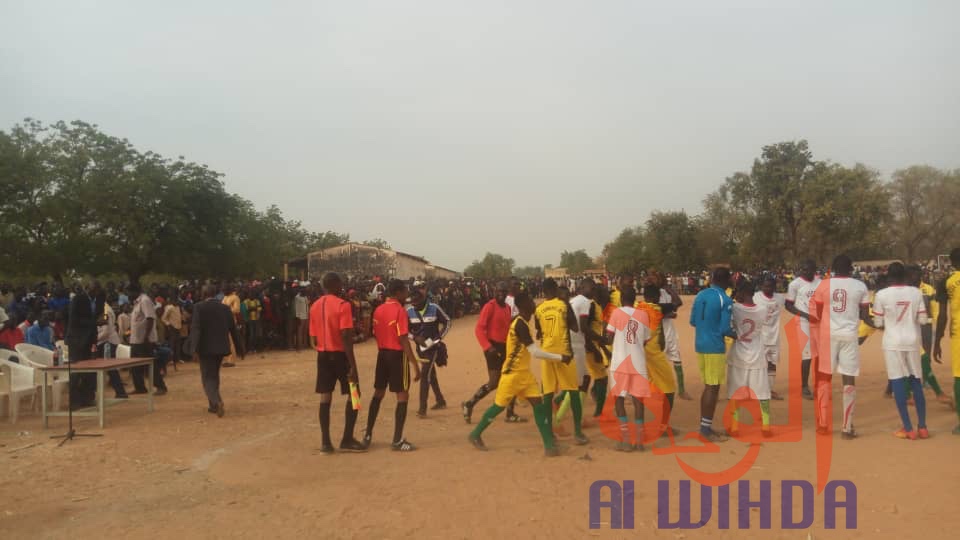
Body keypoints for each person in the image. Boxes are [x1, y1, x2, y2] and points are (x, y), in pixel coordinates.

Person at [468, 292, 566, 456]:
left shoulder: (524, 322)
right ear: (523, 305)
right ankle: (475, 434)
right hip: (512, 375)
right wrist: (560, 357)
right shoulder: (520, 324)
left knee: (539, 405)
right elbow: (534, 352)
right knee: (498, 407)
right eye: (530, 300)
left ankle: (549, 445)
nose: (533, 303)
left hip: (524, 375)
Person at [810, 255, 872, 439]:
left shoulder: (823, 284)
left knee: (824, 377)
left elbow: (818, 312)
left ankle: (822, 423)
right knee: (849, 379)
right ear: (851, 269)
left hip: (828, 335)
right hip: (849, 335)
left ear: (833, 269)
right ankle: (847, 427)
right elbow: (864, 314)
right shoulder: (860, 286)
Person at [309, 273, 366, 453]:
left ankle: (326, 442)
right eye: (340, 284)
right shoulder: (343, 305)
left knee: (325, 396)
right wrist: (353, 366)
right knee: (355, 394)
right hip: (340, 355)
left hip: (323, 355)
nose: (342, 287)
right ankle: (347, 438)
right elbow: (346, 336)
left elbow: (313, 337)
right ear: (334, 285)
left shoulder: (315, 306)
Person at [872, 262, 928, 439]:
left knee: (897, 381)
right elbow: (924, 319)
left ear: (889, 276)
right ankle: (923, 427)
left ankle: (908, 428)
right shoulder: (916, 292)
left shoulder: (881, 295)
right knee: (915, 381)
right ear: (905, 275)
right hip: (912, 341)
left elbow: (878, 323)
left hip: (893, 342)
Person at [363, 279, 421, 451]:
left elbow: (375, 334)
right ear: (398, 293)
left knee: (378, 393)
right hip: (396, 355)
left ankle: (367, 434)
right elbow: (403, 339)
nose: (407, 294)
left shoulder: (378, 309)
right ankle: (397, 440)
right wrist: (414, 364)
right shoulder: (400, 311)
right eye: (405, 291)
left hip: (382, 354)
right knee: (402, 395)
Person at [536, 278, 587, 444]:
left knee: (548, 396)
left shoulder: (539, 309)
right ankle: (578, 433)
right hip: (564, 354)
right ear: (556, 289)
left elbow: (539, 333)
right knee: (573, 392)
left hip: (546, 355)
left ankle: (550, 434)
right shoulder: (564, 305)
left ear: (543, 292)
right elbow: (575, 328)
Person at [689, 267, 735, 442]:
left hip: (700, 343)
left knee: (709, 385)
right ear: (728, 280)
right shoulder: (726, 299)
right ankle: (705, 430)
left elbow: (693, 321)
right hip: (715, 346)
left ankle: (706, 427)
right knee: (713, 387)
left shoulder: (701, 295)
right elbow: (725, 329)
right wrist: (739, 335)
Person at [462, 282, 518, 423]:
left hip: (505, 347)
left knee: (511, 378)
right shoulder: (489, 307)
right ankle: (469, 404)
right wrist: (487, 347)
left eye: (503, 291)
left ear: (507, 293)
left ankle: (510, 413)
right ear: (494, 291)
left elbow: (507, 326)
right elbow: (479, 329)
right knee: (493, 383)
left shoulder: (507, 307)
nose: (501, 294)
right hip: (492, 348)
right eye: (498, 291)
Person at [606, 286, 652, 451]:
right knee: (638, 400)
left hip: (620, 362)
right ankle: (639, 441)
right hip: (638, 362)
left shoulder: (616, 313)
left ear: (620, 299)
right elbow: (646, 339)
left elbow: (609, 336)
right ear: (635, 299)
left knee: (619, 399)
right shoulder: (643, 314)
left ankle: (625, 440)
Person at [727, 280, 773, 437]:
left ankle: (734, 427)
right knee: (763, 392)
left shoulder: (735, 308)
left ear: (742, 292)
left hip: (739, 355)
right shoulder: (763, 309)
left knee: (735, 392)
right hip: (757, 355)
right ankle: (766, 426)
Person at [189, 285, 241, 418]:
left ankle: (217, 401)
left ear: (204, 294)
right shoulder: (224, 308)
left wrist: (193, 349)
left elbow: (196, 329)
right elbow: (233, 330)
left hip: (205, 348)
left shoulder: (198, 307)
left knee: (207, 377)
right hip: (221, 348)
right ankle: (213, 405)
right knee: (214, 375)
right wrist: (240, 348)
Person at [635, 284, 679, 436]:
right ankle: (663, 426)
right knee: (670, 388)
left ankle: (640, 426)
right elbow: (677, 302)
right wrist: (669, 288)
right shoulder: (658, 308)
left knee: (642, 388)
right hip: (654, 354)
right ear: (656, 297)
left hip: (638, 353)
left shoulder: (637, 306)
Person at [907, 265, 953, 406]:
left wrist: (931, 321)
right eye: (912, 276)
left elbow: (935, 309)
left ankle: (912, 390)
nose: (916, 278)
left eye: (918, 275)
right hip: (907, 332)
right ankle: (936, 393)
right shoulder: (904, 292)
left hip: (924, 327)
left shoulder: (927, 289)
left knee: (921, 357)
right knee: (919, 359)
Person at [407, 289, 450, 417]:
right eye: (412, 302)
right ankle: (440, 400)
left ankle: (422, 409)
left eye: (416, 302)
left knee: (425, 375)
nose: (414, 305)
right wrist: (414, 338)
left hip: (433, 349)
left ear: (423, 299)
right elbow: (404, 329)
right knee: (431, 374)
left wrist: (438, 339)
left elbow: (448, 322)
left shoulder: (434, 308)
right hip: (420, 349)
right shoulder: (408, 312)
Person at [933, 247, 960, 435]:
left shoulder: (946, 282)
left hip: (958, 334)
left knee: (959, 378)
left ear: (951, 262)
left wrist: (937, 341)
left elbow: (942, 315)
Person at [785, 259, 821, 400]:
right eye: (804, 270)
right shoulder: (795, 284)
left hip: (819, 322)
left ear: (814, 270)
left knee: (819, 355)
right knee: (807, 355)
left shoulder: (820, 282)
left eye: (809, 270)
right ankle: (804, 387)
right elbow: (788, 305)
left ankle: (819, 384)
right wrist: (806, 315)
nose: (806, 272)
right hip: (803, 323)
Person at [129, 283, 167, 396]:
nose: (128, 294)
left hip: (144, 340)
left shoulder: (145, 300)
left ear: (136, 291)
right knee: (134, 366)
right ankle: (140, 387)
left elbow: (150, 319)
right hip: (135, 340)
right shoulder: (136, 302)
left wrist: (146, 336)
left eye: (130, 291)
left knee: (149, 365)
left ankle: (161, 386)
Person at [754, 276, 785, 400]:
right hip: (760, 337)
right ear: (761, 286)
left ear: (775, 287)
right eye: (766, 286)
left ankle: (770, 390)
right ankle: (758, 390)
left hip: (774, 337)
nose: (768, 288)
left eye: (771, 286)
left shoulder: (780, 298)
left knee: (772, 364)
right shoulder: (755, 297)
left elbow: (790, 305)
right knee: (759, 364)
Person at [96, 301, 128, 399]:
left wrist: (93, 339)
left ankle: (121, 392)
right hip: (105, 342)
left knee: (111, 369)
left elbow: (106, 332)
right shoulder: (104, 308)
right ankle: (120, 391)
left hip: (108, 342)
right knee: (110, 369)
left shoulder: (105, 311)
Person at [161, 298, 183, 364]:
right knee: (172, 344)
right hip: (172, 327)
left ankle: (177, 359)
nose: (177, 302)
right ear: (172, 301)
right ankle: (170, 360)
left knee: (178, 344)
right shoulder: (169, 308)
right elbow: (163, 318)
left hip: (178, 327)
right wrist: (169, 324)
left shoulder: (178, 307)